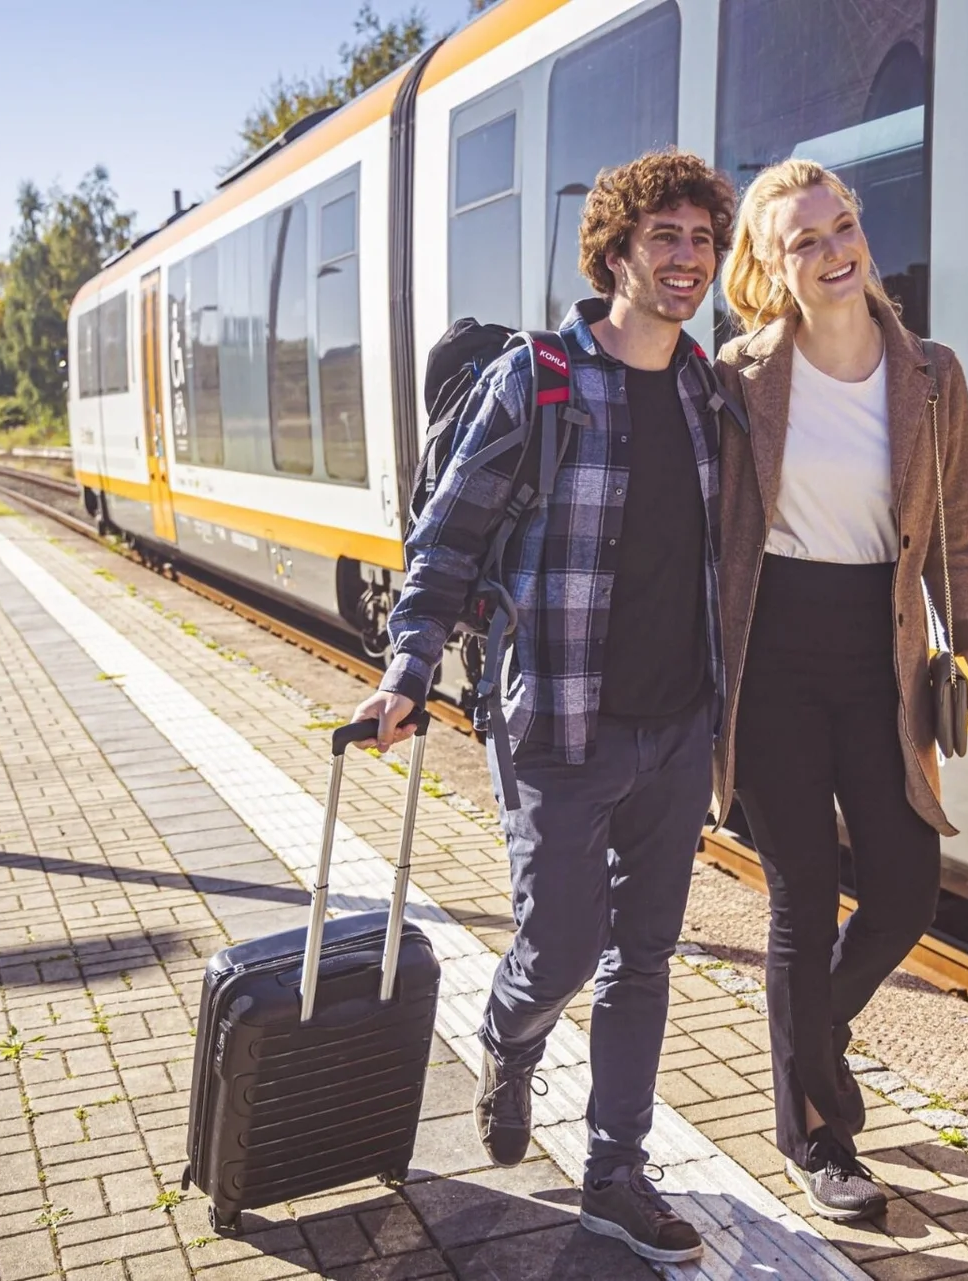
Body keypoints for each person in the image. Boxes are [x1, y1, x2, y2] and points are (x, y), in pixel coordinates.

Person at [352, 149, 738, 1264]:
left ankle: (616, 1168)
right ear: (615, 251)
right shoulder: (542, 379)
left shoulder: (709, 391)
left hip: (678, 729)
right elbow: (446, 542)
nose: (686, 259)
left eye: (701, 241)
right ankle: (508, 1038)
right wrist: (407, 673)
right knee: (563, 945)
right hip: (559, 725)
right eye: (664, 238)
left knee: (646, 957)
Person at [713, 159, 968, 1221]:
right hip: (773, 655)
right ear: (768, 265)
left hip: (878, 650)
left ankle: (812, 1040)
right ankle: (819, 1133)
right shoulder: (740, 378)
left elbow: (958, 541)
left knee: (904, 888)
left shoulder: (931, 372)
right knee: (800, 895)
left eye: (841, 227)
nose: (835, 251)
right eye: (804, 240)